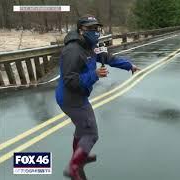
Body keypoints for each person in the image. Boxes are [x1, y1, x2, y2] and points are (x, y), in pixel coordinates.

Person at [55, 14, 139, 180]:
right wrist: (94, 75)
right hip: (71, 98)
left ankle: (79, 157)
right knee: (91, 134)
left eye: (96, 28)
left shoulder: (92, 46)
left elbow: (108, 58)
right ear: (80, 30)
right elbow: (70, 81)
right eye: (90, 28)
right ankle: (73, 168)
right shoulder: (72, 51)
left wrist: (129, 65)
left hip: (79, 96)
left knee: (82, 129)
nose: (95, 32)